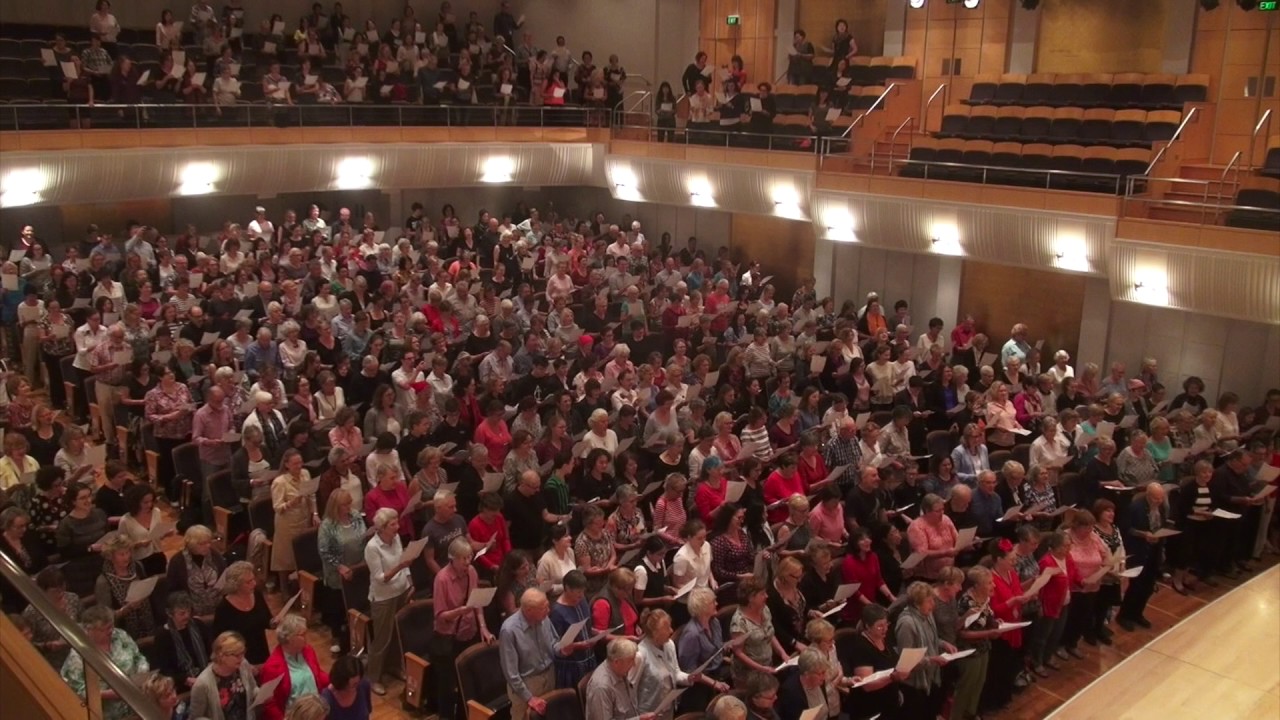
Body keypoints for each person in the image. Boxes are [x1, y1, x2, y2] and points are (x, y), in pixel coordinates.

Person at [432, 537, 495, 720]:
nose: (468, 562)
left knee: (468, 681)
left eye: (469, 557)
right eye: (463, 558)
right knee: (447, 685)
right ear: (453, 558)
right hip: (449, 637)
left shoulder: (472, 572)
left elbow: (477, 603)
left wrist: (483, 627)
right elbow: (440, 615)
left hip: (470, 632)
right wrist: (461, 611)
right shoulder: (442, 579)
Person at [61, 606, 150, 720]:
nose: (111, 630)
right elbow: (77, 691)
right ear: (89, 630)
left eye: (112, 626)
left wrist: (141, 676)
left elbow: (139, 658)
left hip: (136, 704)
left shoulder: (120, 635)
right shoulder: (77, 656)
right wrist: (110, 693)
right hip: (106, 714)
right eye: (105, 628)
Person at [364, 507, 413, 696]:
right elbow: (379, 578)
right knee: (382, 639)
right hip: (383, 597)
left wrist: (408, 580)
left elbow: (404, 560)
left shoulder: (396, 539)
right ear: (382, 527)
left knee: (396, 635)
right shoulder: (372, 548)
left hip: (400, 591)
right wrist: (400, 566)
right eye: (393, 524)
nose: (397, 527)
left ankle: (393, 666)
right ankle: (373, 677)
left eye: (397, 522)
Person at [317, 488, 366, 654]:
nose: (349, 506)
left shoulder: (356, 516)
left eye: (350, 503)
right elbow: (324, 551)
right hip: (338, 571)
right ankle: (338, 636)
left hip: (358, 567)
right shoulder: (327, 525)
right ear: (336, 506)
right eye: (345, 504)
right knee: (338, 606)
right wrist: (339, 566)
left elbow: (363, 537)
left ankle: (358, 637)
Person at [894, 581, 952, 719]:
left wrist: (943, 644)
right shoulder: (907, 623)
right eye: (929, 601)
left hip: (930, 677)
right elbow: (906, 660)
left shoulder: (928, 615)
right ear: (917, 603)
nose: (933, 605)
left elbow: (932, 639)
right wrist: (931, 659)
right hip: (914, 684)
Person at [499, 588, 559, 720]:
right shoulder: (509, 630)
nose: (548, 611)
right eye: (543, 608)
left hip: (549, 676)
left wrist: (562, 649)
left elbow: (554, 642)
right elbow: (511, 673)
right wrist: (529, 697)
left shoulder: (545, 619)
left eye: (547, 606)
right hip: (527, 685)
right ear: (528, 610)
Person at [1117, 482, 1168, 632]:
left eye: (1160, 498)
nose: (1158, 501)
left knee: (1148, 586)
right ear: (1148, 495)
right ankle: (1125, 615)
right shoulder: (1135, 508)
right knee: (1136, 585)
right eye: (1155, 498)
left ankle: (1137, 613)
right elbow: (1126, 528)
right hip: (1138, 550)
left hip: (1154, 551)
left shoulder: (1161, 507)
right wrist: (1143, 534)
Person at [258, 614, 329, 720]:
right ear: (289, 638)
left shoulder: (308, 651)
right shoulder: (272, 667)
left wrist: (336, 680)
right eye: (302, 634)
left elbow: (318, 674)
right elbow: (269, 703)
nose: (306, 637)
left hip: (315, 711)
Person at [212, 561, 273, 666]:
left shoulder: (257, 595)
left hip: (261, 654)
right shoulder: (224, 609)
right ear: (236, 585)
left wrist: (273, 623)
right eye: (248, 582)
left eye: (253, 579)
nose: (254, 583)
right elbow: (221, 642)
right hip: (239, 660)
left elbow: (266, 620)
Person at [189, 631, 260, 720]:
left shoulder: (243, 665)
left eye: (243, 653)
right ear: (221, 655)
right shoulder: (202, 684)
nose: (241, 658)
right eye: (236, 655)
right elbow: (195, 717)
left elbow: (253, 688)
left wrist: (261, 694)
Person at [154, 591, 212, 693]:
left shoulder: (198, 625)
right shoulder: (162, 636)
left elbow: (211, 651)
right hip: (181, 685)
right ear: (169, 613)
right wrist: (186, 679)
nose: (187, 616)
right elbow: (165, 670)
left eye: (188, 612)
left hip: (207, 675)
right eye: (182, 613)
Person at [584, 638, 648, 720]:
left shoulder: (620, 671)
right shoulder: (601, 687)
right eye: (631, 660)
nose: (634, 664)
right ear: (617, 662)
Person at [322, 655, 373, 720]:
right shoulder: (326, 699)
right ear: (342, 683)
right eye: (353, 685)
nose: (357, 686)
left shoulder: (364, 685)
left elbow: (368, 712)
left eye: (358, 682)